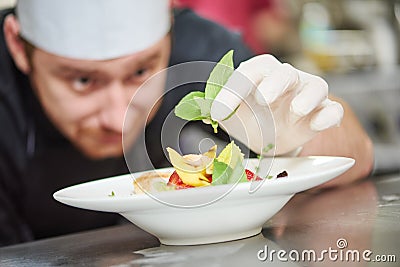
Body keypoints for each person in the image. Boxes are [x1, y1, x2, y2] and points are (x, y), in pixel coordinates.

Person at [0, 0, 373, 246]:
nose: (118, 117)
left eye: (141, 71)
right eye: (83, 81)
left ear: (170, 32)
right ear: (18, 47)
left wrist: (292, 136)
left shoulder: (199, 48)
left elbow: (362, 154)